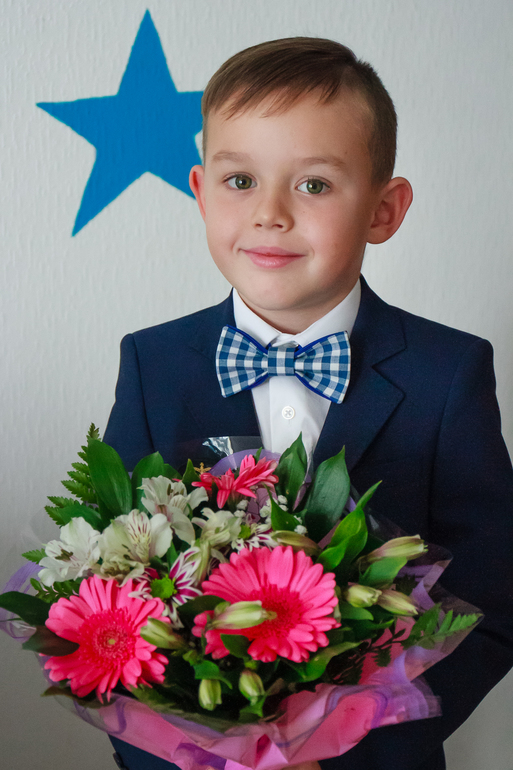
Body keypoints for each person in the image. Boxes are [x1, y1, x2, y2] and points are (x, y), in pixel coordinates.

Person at [103, 37, 513, 770]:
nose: (269, 214)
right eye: (239, 180)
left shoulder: (448, 372)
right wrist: (186, 754)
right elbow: (110, 600)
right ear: (200, 191)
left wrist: (347, 746)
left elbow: (491, 600)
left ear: (383, 210)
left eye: (314, 185)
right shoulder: (151, 364)